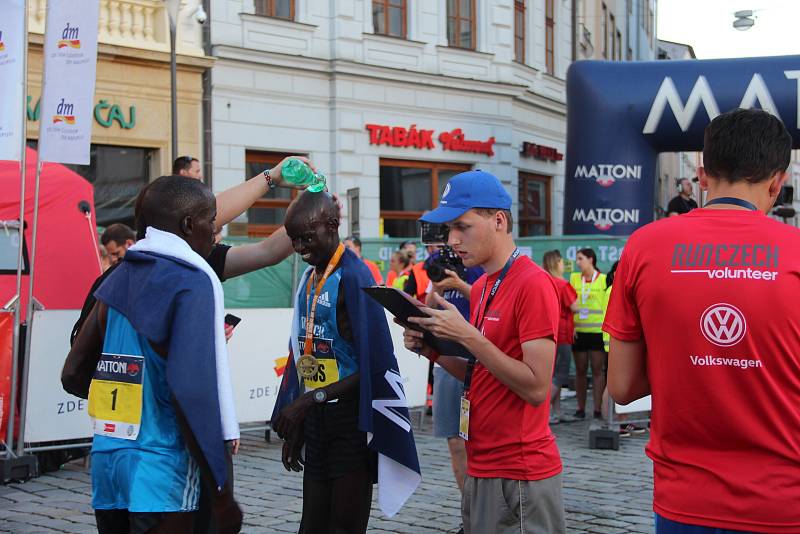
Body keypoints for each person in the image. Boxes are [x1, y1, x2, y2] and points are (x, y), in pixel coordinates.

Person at [605, 108, 800, 533]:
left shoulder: (645, 247)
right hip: (784, 502)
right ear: (777, 181)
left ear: (703, 173)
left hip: (684, 500)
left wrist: (687, 361)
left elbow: (621, 387)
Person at [62, 175, 241, 533]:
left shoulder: (116, 277)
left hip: (110, 465)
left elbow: (73, 375)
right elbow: (189, 391)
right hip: (162, 471)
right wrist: (222, 493)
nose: (214, 233)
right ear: (190, 225)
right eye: (212, 221)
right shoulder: (191, 279)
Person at [401, 170, 565, 534]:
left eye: (463, 226)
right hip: (482, 464)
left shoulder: (533, 283)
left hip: (519, 473)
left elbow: (537, 387)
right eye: (449, 228)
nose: (453, 240)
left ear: (499, 221)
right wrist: (435, 353)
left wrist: (468, 336)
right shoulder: (489, 282)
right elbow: (483, 372)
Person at [271, 191, 420, 533]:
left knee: (344, 526)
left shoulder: (354, 275)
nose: (299, 248)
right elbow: (301, 350)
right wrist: (297, 411)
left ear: (332, 226)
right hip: (317, 418)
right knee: (311, 526)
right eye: (293, 240)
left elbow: (375, 364)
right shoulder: (310, 277)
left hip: (350, 422)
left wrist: (312, 399)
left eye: (306, 238)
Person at [424, 249, 483, 533]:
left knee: (476, 440)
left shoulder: (479, 266)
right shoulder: (439, 269)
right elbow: (426, 309)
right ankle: (469, 515)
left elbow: (490, 303)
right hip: (445, 363)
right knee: (454, 441)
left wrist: (459, 285)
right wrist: (436, 286)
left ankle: (485, 512)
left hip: (476, 360)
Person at [569, 248, 607, 421]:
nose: (577, 263)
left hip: (597, 333)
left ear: (591, 260)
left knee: (598, 372)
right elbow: (568, 302)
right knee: (580, 371)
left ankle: (598, 409)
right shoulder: (574, 278)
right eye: (577, 259)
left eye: (580, 259)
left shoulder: (604, 280)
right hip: (579, 332)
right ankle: (580, 408)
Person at [541, 250, 579, 425]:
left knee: (550, 372)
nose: (564, 265)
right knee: (560, 373)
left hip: (547, 331)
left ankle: (555, 412)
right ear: (556, 263)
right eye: (562, 262)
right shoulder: (563, 284)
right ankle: (543, 410)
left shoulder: (543, 281)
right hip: (562, 333)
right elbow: (575, 307)